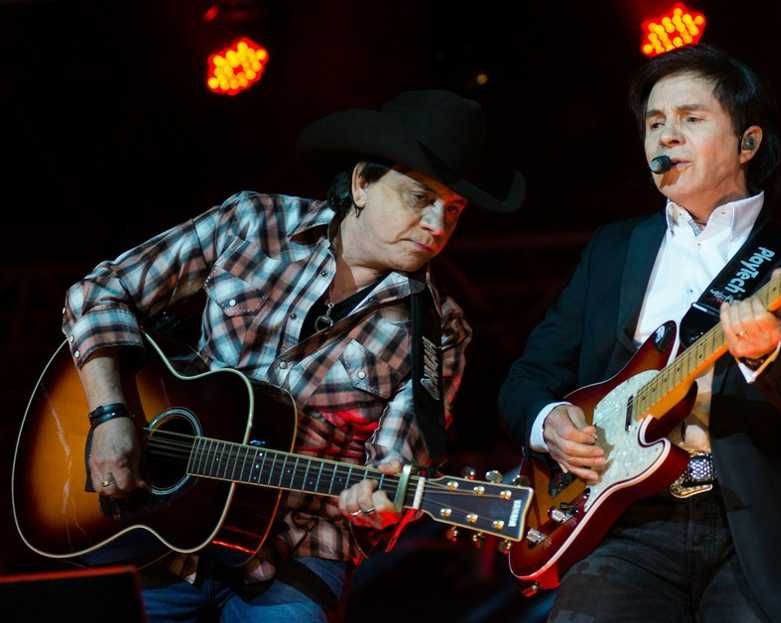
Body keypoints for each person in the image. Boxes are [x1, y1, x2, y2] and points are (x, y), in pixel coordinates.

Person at [62, 89, 524, 622]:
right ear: (361, 184)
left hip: (299, 549)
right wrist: (111, 414)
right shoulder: (252, 223)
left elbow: (397, 462)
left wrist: (383, 500)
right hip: (154, 525)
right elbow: (99, 293)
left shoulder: (439, 329)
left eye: (454, 211)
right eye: (420, 198)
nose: (438, 226)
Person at [498, 45, 781, 622]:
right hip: (621, 526)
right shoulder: (613, 250)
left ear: (748, 144)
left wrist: (772, 358)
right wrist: (551, 424)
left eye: (691, 120)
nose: (665, 137)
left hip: (752, 530)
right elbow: (528, 376)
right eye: (654, 123)